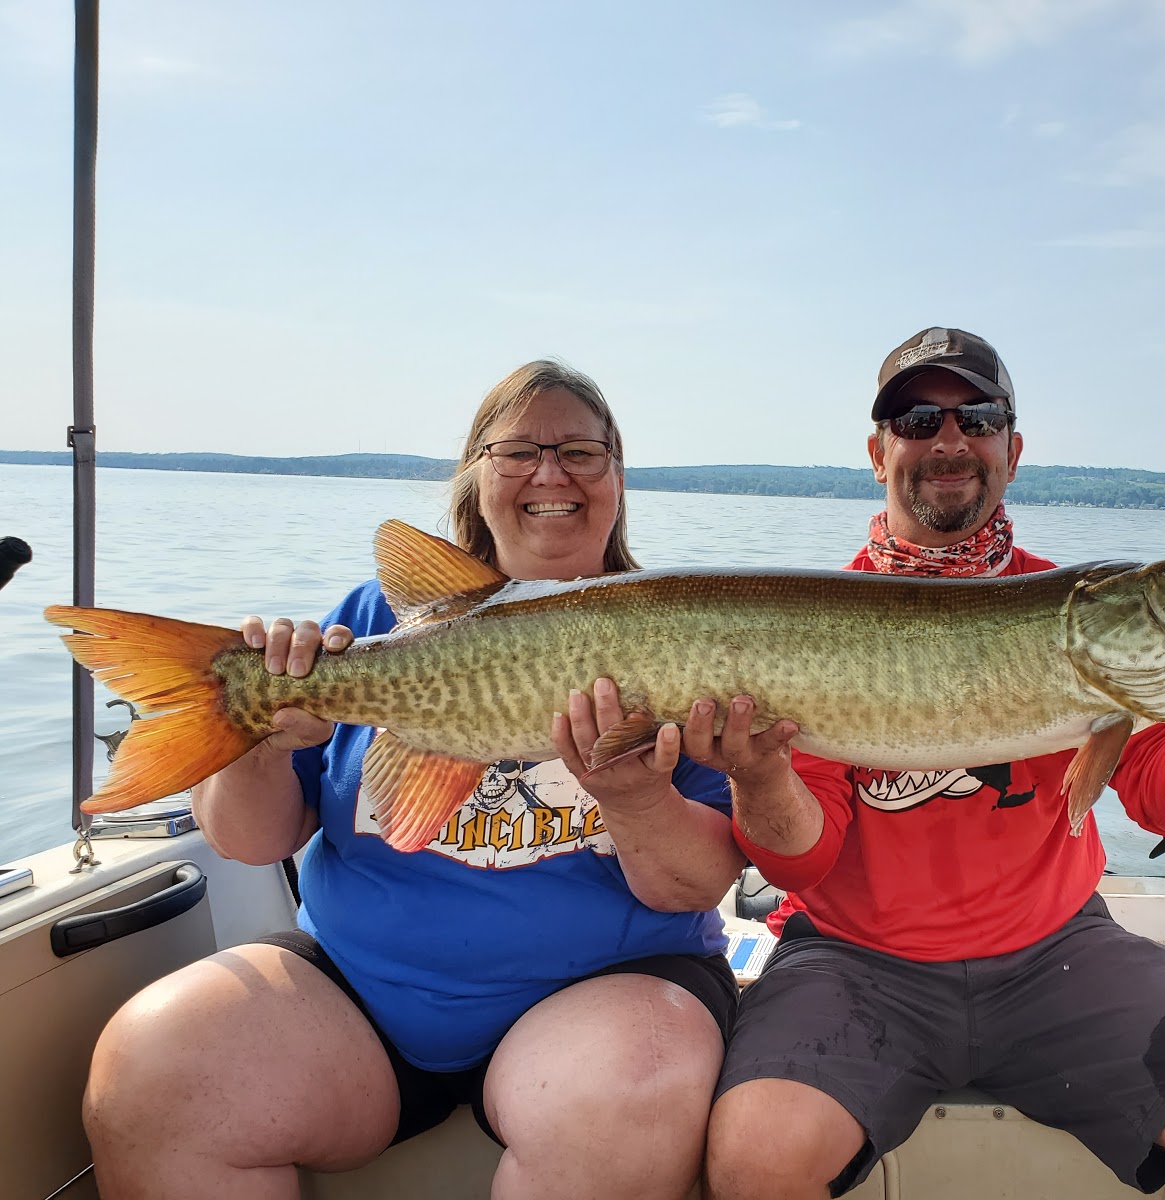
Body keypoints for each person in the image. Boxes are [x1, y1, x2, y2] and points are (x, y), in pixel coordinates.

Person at [82, 361, 747, 1200]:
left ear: (618, 477)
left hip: (609, 1000)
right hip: (364, 1000)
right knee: (152, 1068)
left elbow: (691, 884)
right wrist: (257, 738)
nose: (551, 473)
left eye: (581, 450)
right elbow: (248, 842)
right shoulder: (375, 619)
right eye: (518, 452)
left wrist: (636, 796)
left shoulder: (688, 632)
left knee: (634, 1091)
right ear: (477, 477)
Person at [693, 329, 1165, 1200]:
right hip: (854, 961)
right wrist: (758, 777)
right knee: (757, 1156)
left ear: (1012, 451)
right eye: (918, 419)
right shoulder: (812, 627)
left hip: (1056, 953)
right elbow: (802, 860)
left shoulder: (1092, 621)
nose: (949, 440)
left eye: (977, 417)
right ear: (879, 454)